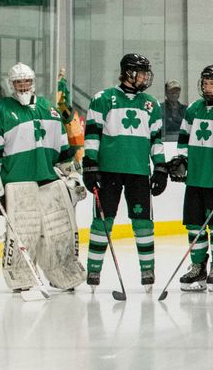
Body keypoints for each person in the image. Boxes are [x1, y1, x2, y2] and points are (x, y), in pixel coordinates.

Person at [0, 63, 86, 295]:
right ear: (12, 84)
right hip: (17, 182)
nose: (23, 86)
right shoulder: (2, 110)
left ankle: (63, 273)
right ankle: (21, 275)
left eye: (26, 81)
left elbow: (63, 148)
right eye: (18, 82)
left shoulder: (49, 109)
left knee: (60, 232)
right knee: (24, 232)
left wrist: (71, 174)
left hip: (48, 180)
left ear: (33, 82)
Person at [83, 53, 168, 293]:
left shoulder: (151, 104)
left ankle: (148, 271)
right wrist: (90, 164)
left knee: (143, 223)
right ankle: (93, 270)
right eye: (141, 73)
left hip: (138, 171)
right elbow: (92, 134)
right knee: (103, 221)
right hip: (108, 171)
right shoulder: (103, 99)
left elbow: (156, 139)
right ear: (129, 73)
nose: (145, 77)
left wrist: (160, 167)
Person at [164, 65, 213, 292]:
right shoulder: (194, 109)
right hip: (195, 179)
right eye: (205, 83)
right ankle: (198, 266)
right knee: (194, 225)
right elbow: (184, 138)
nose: (207, 87)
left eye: (212, 83)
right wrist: (182, 159)